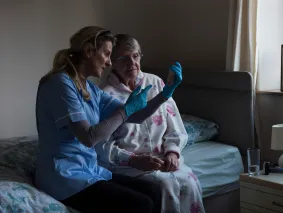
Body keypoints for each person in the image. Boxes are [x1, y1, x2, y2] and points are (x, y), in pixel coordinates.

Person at [35, 26, 180, 213]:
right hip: (64, 177)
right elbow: (89, 137)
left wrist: (165, 93)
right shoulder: (60, 83)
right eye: (107, 54)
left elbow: (134, 115)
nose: (109, 62)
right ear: (89, 52)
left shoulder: (89, 88)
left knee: (154, 190)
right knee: (141, 204)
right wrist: (126, 110)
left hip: (87, 170)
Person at [97, 34, 205, 213]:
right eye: (123, 58)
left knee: (190, 181)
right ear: (111, 62)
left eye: (135, 56)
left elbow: (175, 126)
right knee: (164, 186)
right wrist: (134, 160)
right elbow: (101, 146)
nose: (131, 63)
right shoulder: (105, 95)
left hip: (163, 159)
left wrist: (173, 152)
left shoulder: (156, 82)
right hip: (129, 165)